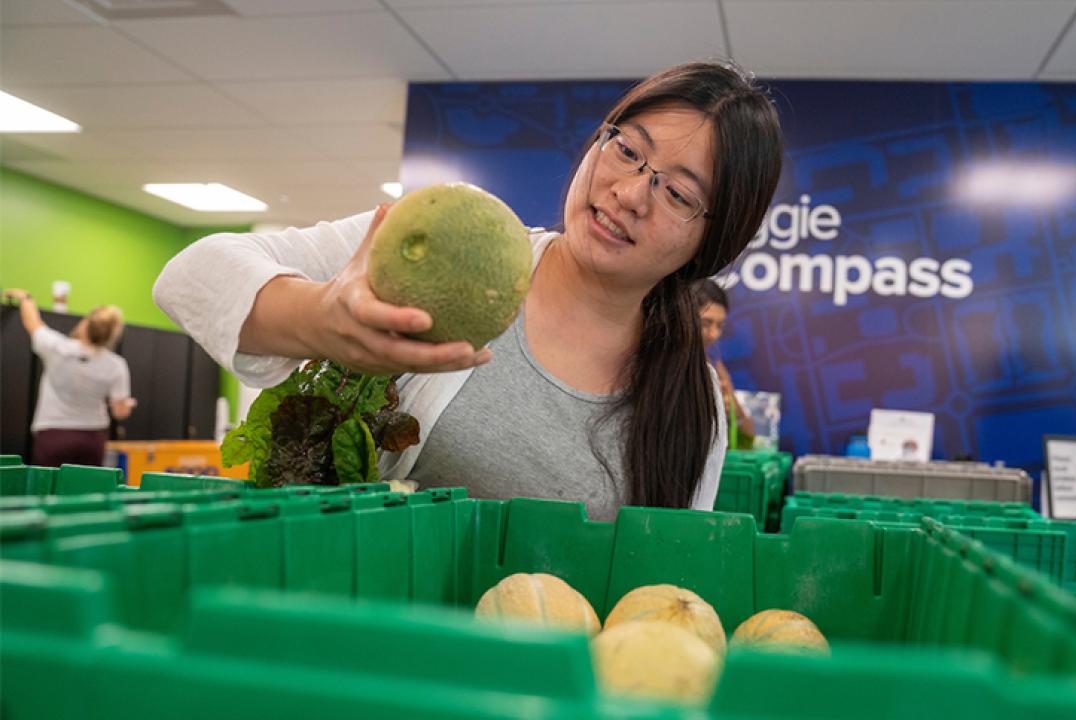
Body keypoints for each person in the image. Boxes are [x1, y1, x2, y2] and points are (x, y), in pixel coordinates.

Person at [154, 61, 784, 521]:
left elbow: (659, 593)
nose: (629, 193)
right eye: (626, 149)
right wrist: (320, 319)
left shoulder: (691, 401)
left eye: (677, 193)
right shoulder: (459, 244)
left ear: (713, 239)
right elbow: (194, 273)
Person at [3, 289, 135, 467]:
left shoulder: (58, 348)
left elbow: (33, 322)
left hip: (53, 435)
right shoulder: (116, 364)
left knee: (48, 490)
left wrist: (25, 297)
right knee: (86, 491)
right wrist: (127, 405)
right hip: (92, 439)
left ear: (85, 324)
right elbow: (120, 412)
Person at [693, 278, 755, 449]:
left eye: (720, 326)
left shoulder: (713, 366)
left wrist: (732, 408)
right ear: (683, 316)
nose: (714, 334)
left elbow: (747, 440)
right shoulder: (658, 366)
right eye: (706, 323)